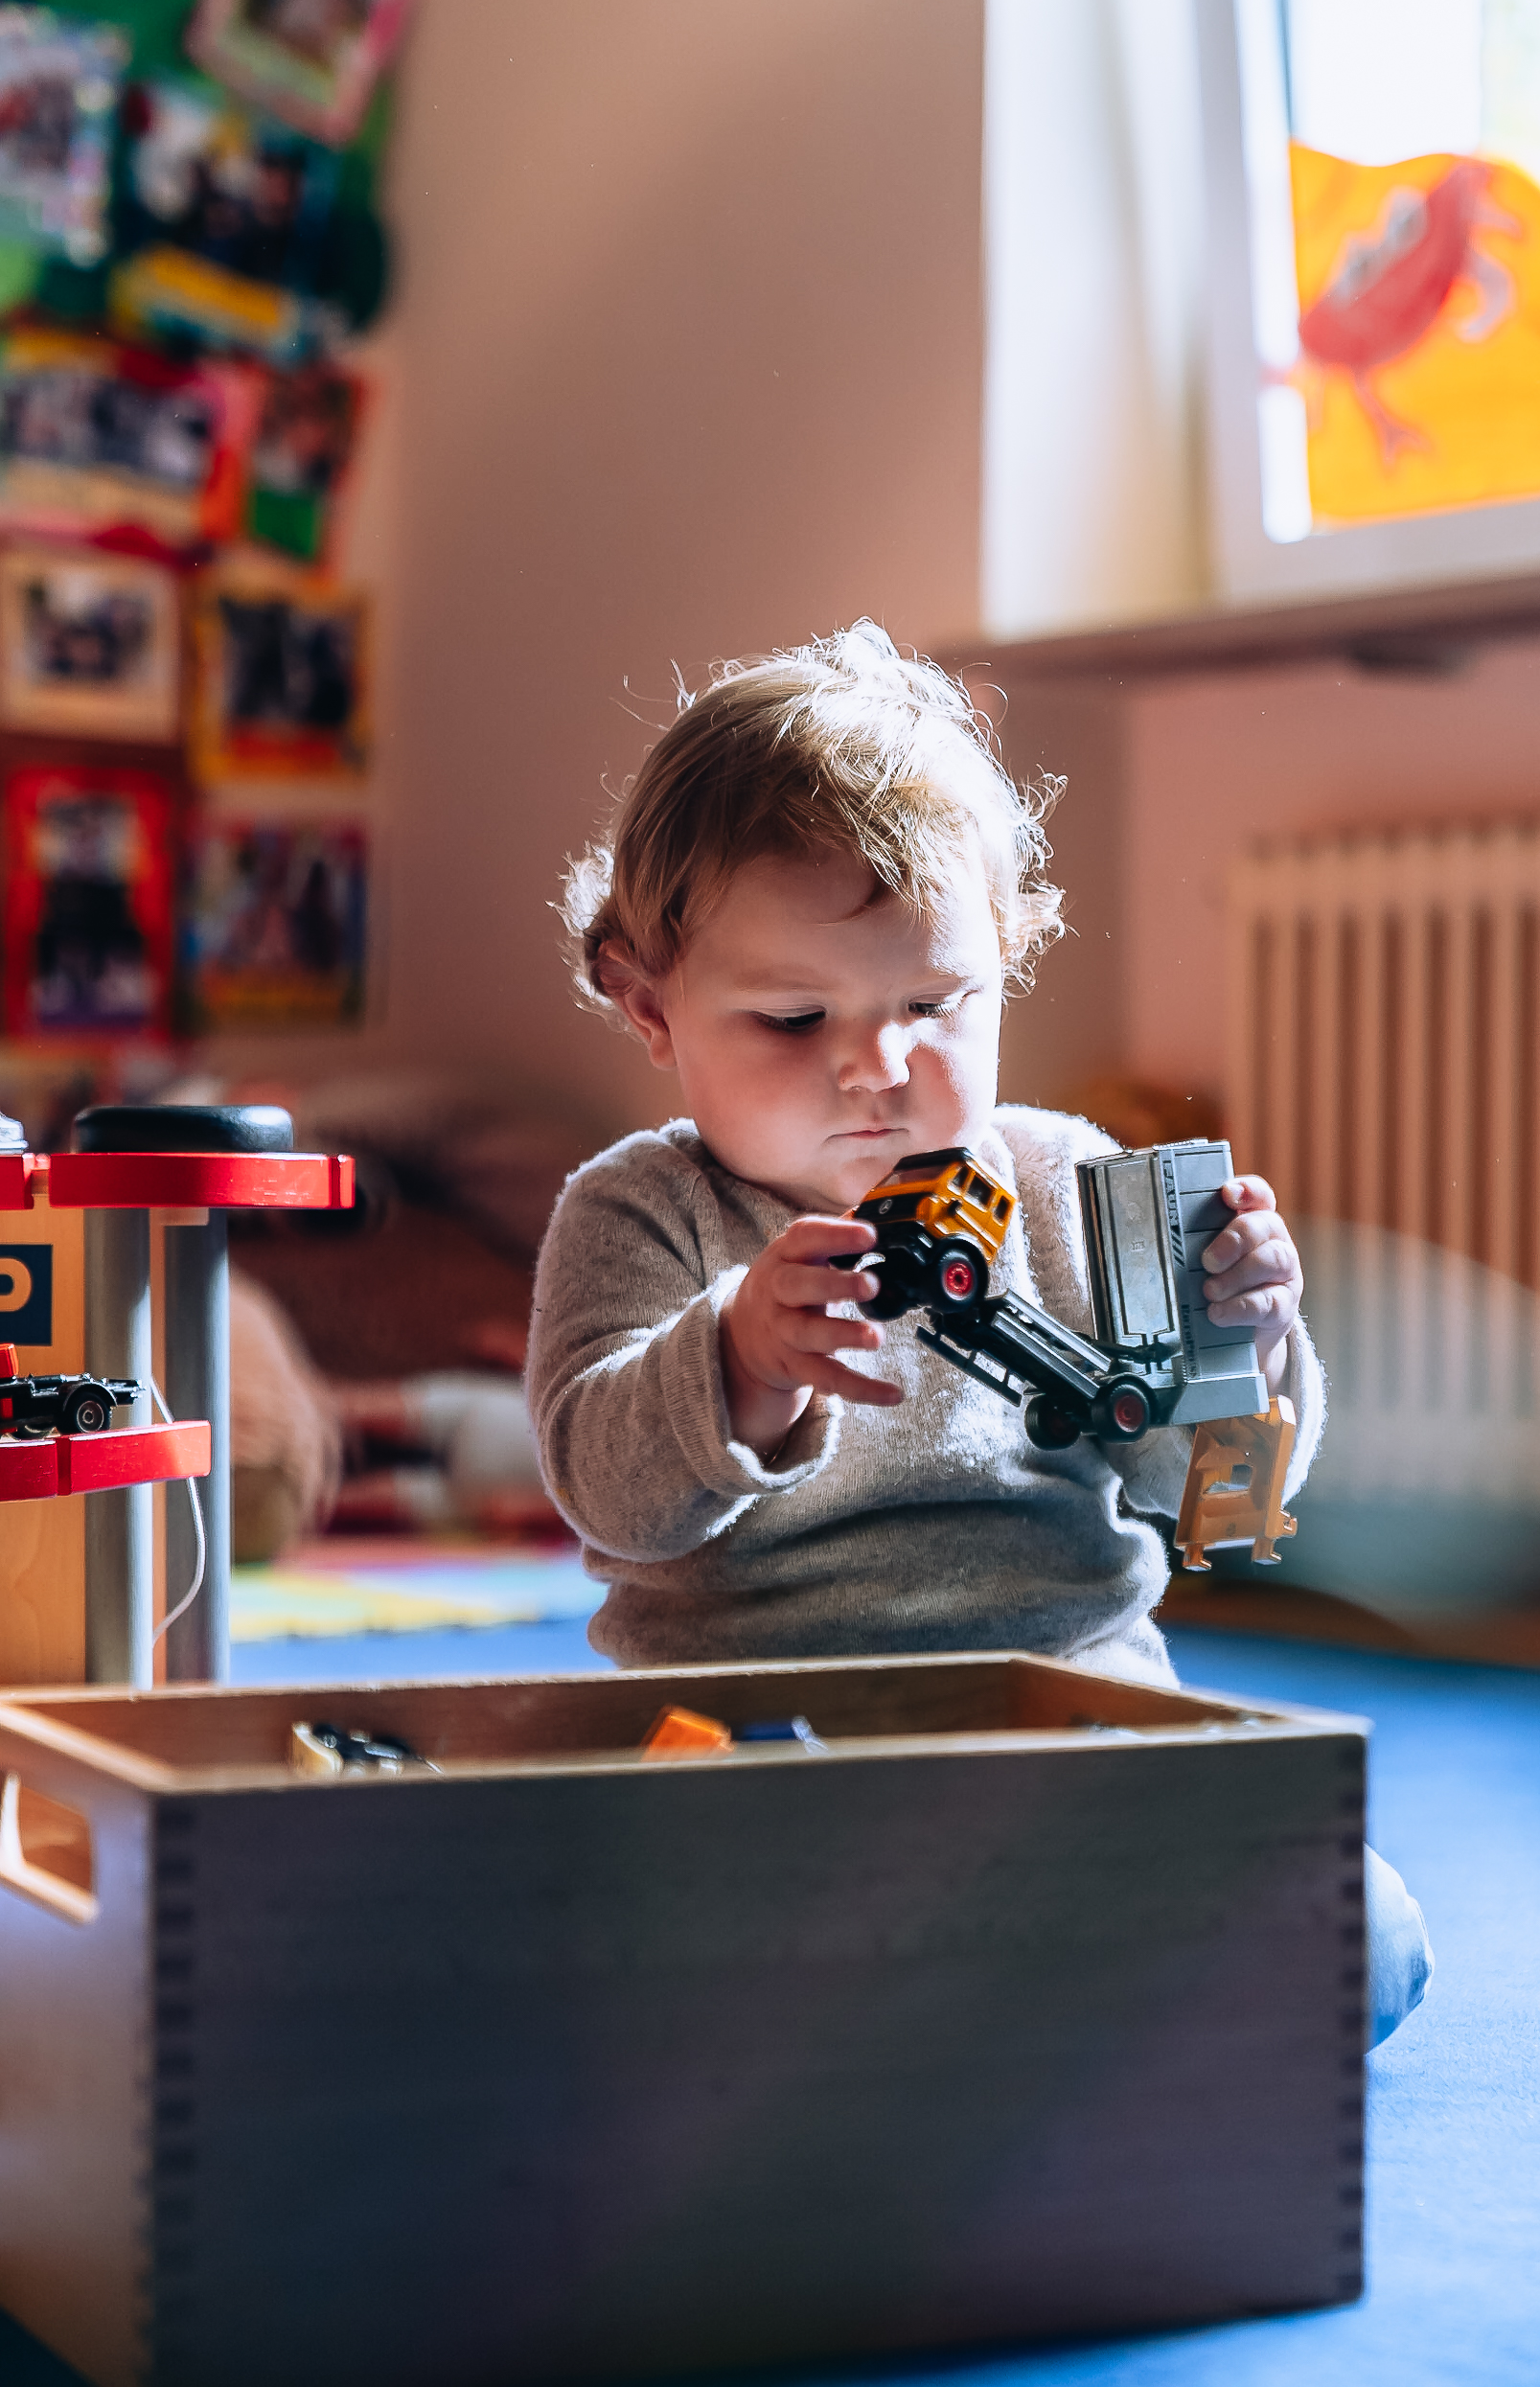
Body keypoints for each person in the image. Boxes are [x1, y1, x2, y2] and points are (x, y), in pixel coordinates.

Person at [529, 619, 1430, 2045]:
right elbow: (609, 1494)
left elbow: (1205, 1492)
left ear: (1008, 954)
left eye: (935, 1005)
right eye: (787, 1016)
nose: (874, 1070)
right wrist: (738, 1361)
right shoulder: (640, 1213)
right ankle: (977, 2008)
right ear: (649, 1003)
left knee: (1364, 1937)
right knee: (549, 1933)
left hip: (1071, 1718)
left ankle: (994, 2000)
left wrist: (1245, 1343)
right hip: (774, 1747)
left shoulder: (1071, 1183)